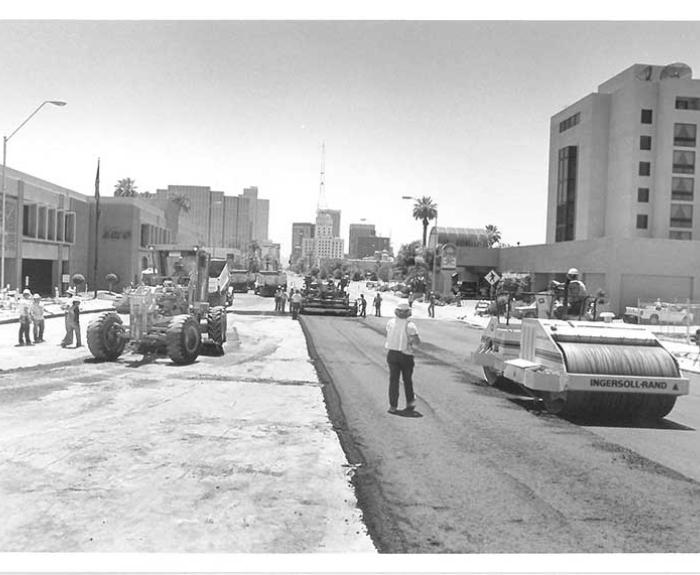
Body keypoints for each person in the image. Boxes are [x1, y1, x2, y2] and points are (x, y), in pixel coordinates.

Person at [385, 302, 420, 414]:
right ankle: (410, 403)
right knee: (407, 380)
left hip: (392, 354)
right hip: (406, 355)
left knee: (393, 380)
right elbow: (417, 342)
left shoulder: (390, 322)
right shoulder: (410, 325)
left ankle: (393, 406)